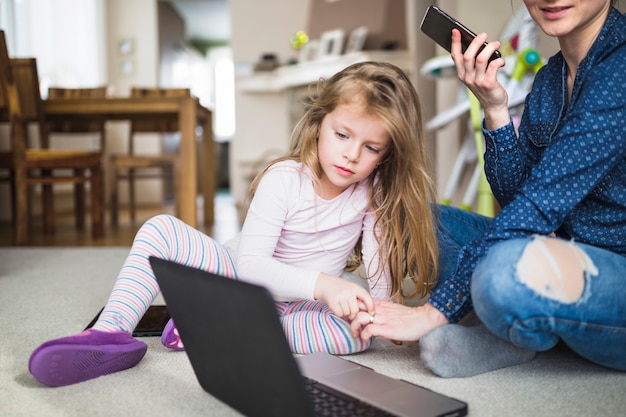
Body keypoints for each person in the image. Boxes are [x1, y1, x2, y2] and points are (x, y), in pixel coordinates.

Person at [28, 61, 441, 387]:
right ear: (319, 123)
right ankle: (112, 332)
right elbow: (251, 267)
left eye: (370, 147)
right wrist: (326, 286)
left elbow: (380, 277)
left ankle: (213, 330)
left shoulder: (374, 195)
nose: (351, 155)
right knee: (160, 229)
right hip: (237, 281)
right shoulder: (285, 179)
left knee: (357, 336)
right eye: (342, 134)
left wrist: (378, 315)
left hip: (294, 309)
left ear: (386, 155)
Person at [351, 0, 626, 378]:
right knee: (416, 219)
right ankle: (519, 328)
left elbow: (538, 207)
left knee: (501, 273)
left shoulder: (620, 67)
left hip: (614, 269)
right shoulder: (550, 80)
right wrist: (494, 108)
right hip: (555, 247)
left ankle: (513, 320)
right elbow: (516, 200)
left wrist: (435, 312)